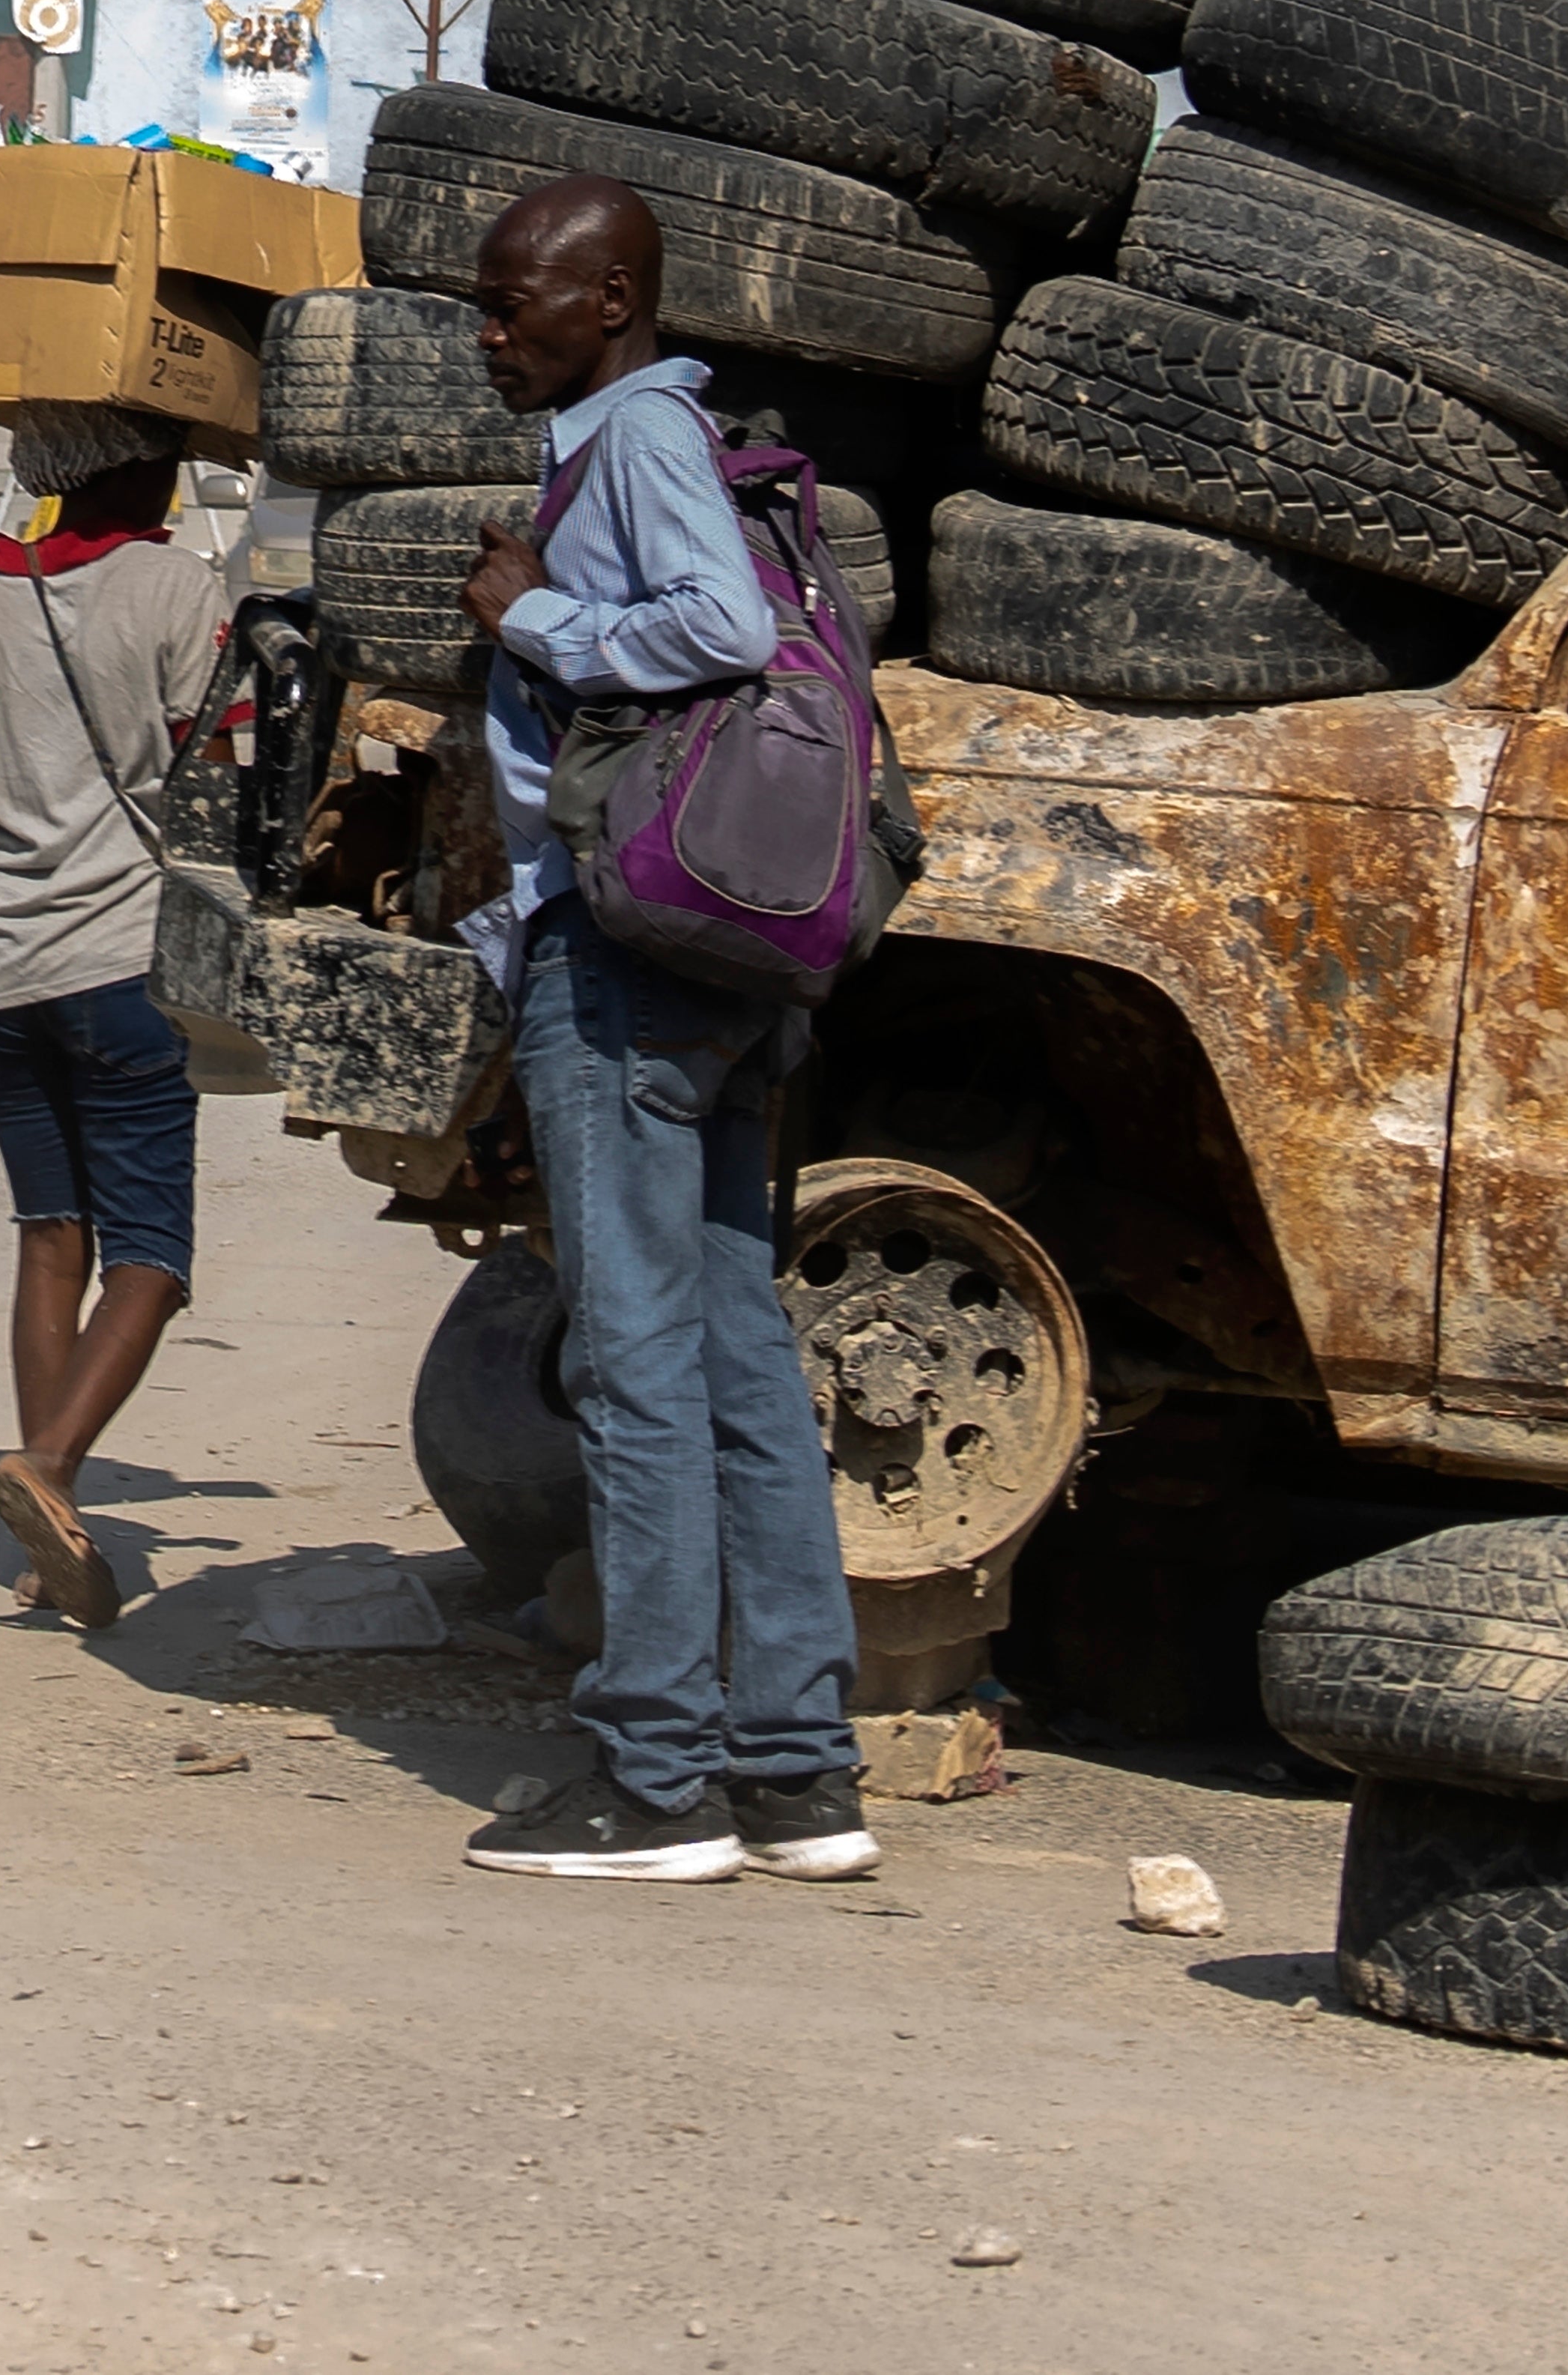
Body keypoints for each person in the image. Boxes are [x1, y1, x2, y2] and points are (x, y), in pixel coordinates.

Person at [449, 174, 877, 1888]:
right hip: (715, 955)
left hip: (620, 952)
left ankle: (658, 1780)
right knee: (738, 1364)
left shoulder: (633, 439)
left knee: (635, 1371)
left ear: (612, 296)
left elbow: (720, 628)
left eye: (517, 298)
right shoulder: (663, 433)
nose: (491, 328)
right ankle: (798, 1778)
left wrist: (527, 621)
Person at [0, 408, 224, 1632]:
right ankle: (49, 1471)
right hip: (117, 963)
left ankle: (49, 1540)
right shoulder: (176, 586)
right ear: (136, 465)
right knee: (152, 1257)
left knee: (51, 1236)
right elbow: (222, 762)